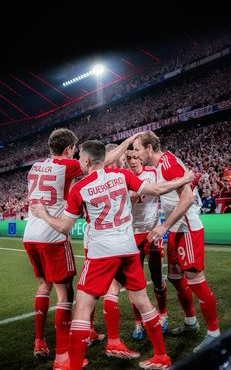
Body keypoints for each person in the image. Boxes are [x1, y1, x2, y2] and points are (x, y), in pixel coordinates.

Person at [31, 139, 194, 370]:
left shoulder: (80, 187)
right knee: (143, 301)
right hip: (127, 249)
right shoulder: (122, 176)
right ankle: (161, 356)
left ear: (87, 161)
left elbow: (64, 227)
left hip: (101, 254)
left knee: (82, 307)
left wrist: (43, 214)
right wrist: (185, 179)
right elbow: (157, 189)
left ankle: (75, 365)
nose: (78, 161)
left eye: (80, 158)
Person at [133, 131, 220, 352]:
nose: (137, 153)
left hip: (187, 228)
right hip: (176, 229)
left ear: (149, 148)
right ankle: (190, 322)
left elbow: (188, 198)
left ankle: (214, 334)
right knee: (174, 276)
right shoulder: (162, 164)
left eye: (138, 149)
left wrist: (163, 225)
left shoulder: (167, 164)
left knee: (195, 279)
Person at [23, 128, 86, 369]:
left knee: (43, 285)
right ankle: (63, 356)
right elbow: (97, 160)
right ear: (69, 149)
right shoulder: (68, 166)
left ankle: (39, 341)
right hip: (52, 236)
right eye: (75, 150)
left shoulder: (35, 167)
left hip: (30, 234)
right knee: (64, 294)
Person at [126, 145, 168, 339]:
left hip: (152, 232)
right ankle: (138, 323)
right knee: (135, 282)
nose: (133, 161)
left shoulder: (154, 172)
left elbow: (164, 190)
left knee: (157, 277)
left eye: (136, 157)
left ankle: (163, 315)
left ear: (141, 158)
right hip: (132, 234)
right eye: (129, 158)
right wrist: (131, 198)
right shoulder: (123, 178)